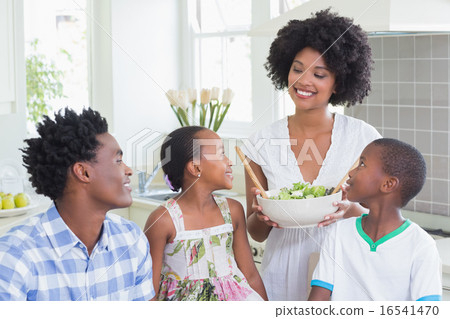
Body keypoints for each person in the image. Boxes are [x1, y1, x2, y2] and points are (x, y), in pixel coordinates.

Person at [241, 9, 382, 300]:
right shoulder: (260, 144)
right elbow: (256, 233)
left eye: (319, 74)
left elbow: (381, 218)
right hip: (281, 273)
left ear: (339, 82)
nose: (304, 81)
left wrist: (350, 211)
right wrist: (261, 217)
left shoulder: (364, 140)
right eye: (297, 69)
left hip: (345, 269)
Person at [0, 108, 154, 301]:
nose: (129, 170)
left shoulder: (132, 240)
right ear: (83, 172)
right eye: (118, 161)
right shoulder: (14, 257)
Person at [309, 138, 442, 301]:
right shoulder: (338, 233)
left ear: (388, 184)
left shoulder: (421, 246)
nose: (351, 173)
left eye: (362, 164)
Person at [144, 126, 267, 301]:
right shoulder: (163, 220)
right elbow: (149, 293)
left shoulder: (233, 210)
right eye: (221, 154)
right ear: (196, 168)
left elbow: (251, 274)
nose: (230, 161)